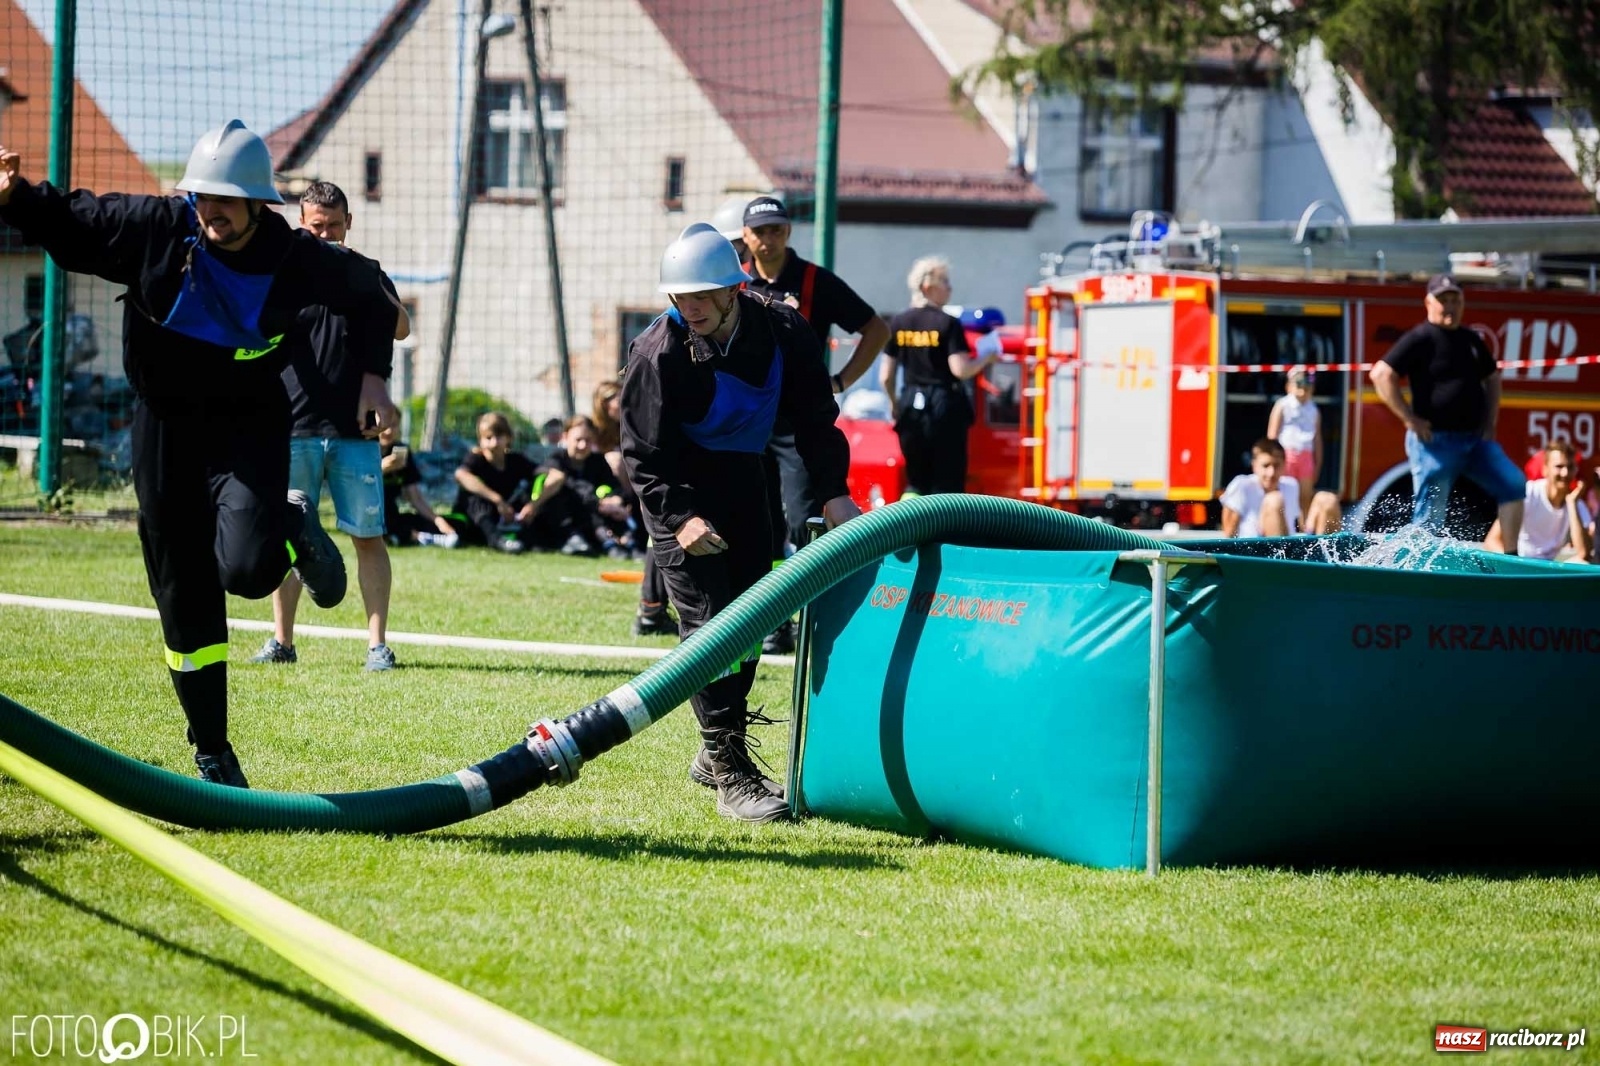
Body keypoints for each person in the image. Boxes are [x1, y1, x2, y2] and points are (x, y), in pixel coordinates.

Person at [0, 120, 401, 787]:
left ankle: (288, 523)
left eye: (225, 199)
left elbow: (372, 293)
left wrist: (375, 376)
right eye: (201, 196)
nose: (210, 209)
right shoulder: (157, 228)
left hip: (248, 422)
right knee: (182, 589)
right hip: (164, 427)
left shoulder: (294, 255)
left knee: (246, 571)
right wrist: (15, 197)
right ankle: (212, 748)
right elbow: (75, 223)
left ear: (255, 204)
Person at [621, 222, 860, 823]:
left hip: (746, 481)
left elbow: (814, 419)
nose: (690, 307)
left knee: (756, 616)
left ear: (734, 288)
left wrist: (834, 495)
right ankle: (730, 770)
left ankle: (713, 746)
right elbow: (642, 457)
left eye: (702, 295)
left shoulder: (782, 328)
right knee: (709, 624)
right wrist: (680, 520)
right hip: (678, 490)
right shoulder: (656, 353)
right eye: (680, 297)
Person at [252, 182, 405, 673]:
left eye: (333, 227)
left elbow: (400, 327)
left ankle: (376, 646)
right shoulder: (283, 273)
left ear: (348, 225)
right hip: (290, 426)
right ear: (302, 224)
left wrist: (373, 285)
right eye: (316, 227)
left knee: (368, 536)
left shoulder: (366, 273)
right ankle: (282, 641)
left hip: (354, 433)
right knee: (288, 535)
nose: (325, 235)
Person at [740, 194, 888, 653]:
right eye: (759, 231)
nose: (768, 240)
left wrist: (841, 380)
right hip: (745, 417)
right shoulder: (732, 278)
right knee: (752, 521)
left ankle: (807, 616)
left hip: (797, 419)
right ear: (745, 236)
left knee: (801, 519)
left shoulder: (814, 281)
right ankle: (768, 621)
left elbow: (876, 329)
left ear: (788, 233)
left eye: (776, 230)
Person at [1369, 274, 1524, 550]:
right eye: (1444, 300)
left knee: (1513, 485)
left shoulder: (1470, 340)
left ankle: (1513, 557)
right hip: (1435, 444)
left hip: (1475, 441)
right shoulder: (1419, 338)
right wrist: (1409, 418)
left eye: (1456, 300)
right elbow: (1381, 374)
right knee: (1430, 518)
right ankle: (1417, 570)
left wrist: (1490, 420)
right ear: (1428, 302)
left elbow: (1492, 378)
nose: (1450, 306)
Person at [878, 256, 997, 496]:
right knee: (947, 484)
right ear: (927, 287)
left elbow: (885, 376)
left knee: (915, 481)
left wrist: (894, 405)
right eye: (944, 281)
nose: (950, 287)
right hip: (944, 406)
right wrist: (987, 357)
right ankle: (946, 532)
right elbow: (960, 370)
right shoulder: (948, 323)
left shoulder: (898, 323)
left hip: (910, 405)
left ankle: (911, 529)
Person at [1485, 440, 1592, 562]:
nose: (1565, 473)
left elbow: (1584, 554)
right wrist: (1512, 562)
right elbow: (1492, 541)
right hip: (1520, 562)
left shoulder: (1576, 503)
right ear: (1545, 469)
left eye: (1570, 467)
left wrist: (1572, 504)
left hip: (1549, 568)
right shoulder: (1528, 493)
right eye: (1559, 466)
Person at [452, 411, 541, 553]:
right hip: (477, 522)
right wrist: (497, 500)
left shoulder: (516, 461)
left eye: (499, 437)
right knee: (471, 496)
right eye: (488, 438)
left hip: (507, 516)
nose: (493, 443)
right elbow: (460, 475)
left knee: (528, 491)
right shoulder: (476, 459)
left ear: (508, 438)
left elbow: (548, 474)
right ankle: (496, 540)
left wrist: (534, 504)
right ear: (480, 440)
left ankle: (532, 538)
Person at [1220, 438, 1342, 537]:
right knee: (1274, 499)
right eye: (1266, 466)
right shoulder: (1242, 484)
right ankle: (1279, 562)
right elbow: (1229, 532)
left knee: (1327, 499)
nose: (1271, 472)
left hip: (1288, 544)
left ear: (1284, 465)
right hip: (1257, 548)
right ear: (1254, 466)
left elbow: (1296, 526)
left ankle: (1327, 559)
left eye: (1276, 465)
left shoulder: (1291, 485)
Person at [377, 424, 459, 548]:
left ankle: (404, 537)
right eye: (384, 426)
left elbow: (415, 497)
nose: (388, 431)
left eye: (393, 425)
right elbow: (357, 488)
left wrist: (437, 520)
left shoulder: (402, 452)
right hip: (370, 512)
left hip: (392, 512)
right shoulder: (364, 450)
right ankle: (418, 537)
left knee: (426, 522)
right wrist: (381, 469)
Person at [1267, 367, 1323, 518]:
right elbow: (1272, 433)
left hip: (1306, 455)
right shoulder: (1283, 405)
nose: (1303, 389)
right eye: (1299, 384)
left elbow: (1317, 438)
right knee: (1284, 494)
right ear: (1288, 386)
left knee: (1305, 497)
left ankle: (1305, 532)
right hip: (1286, 454)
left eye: (1307, 385)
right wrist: (1273, 458)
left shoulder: (1314, 409)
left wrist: (1317, 464)